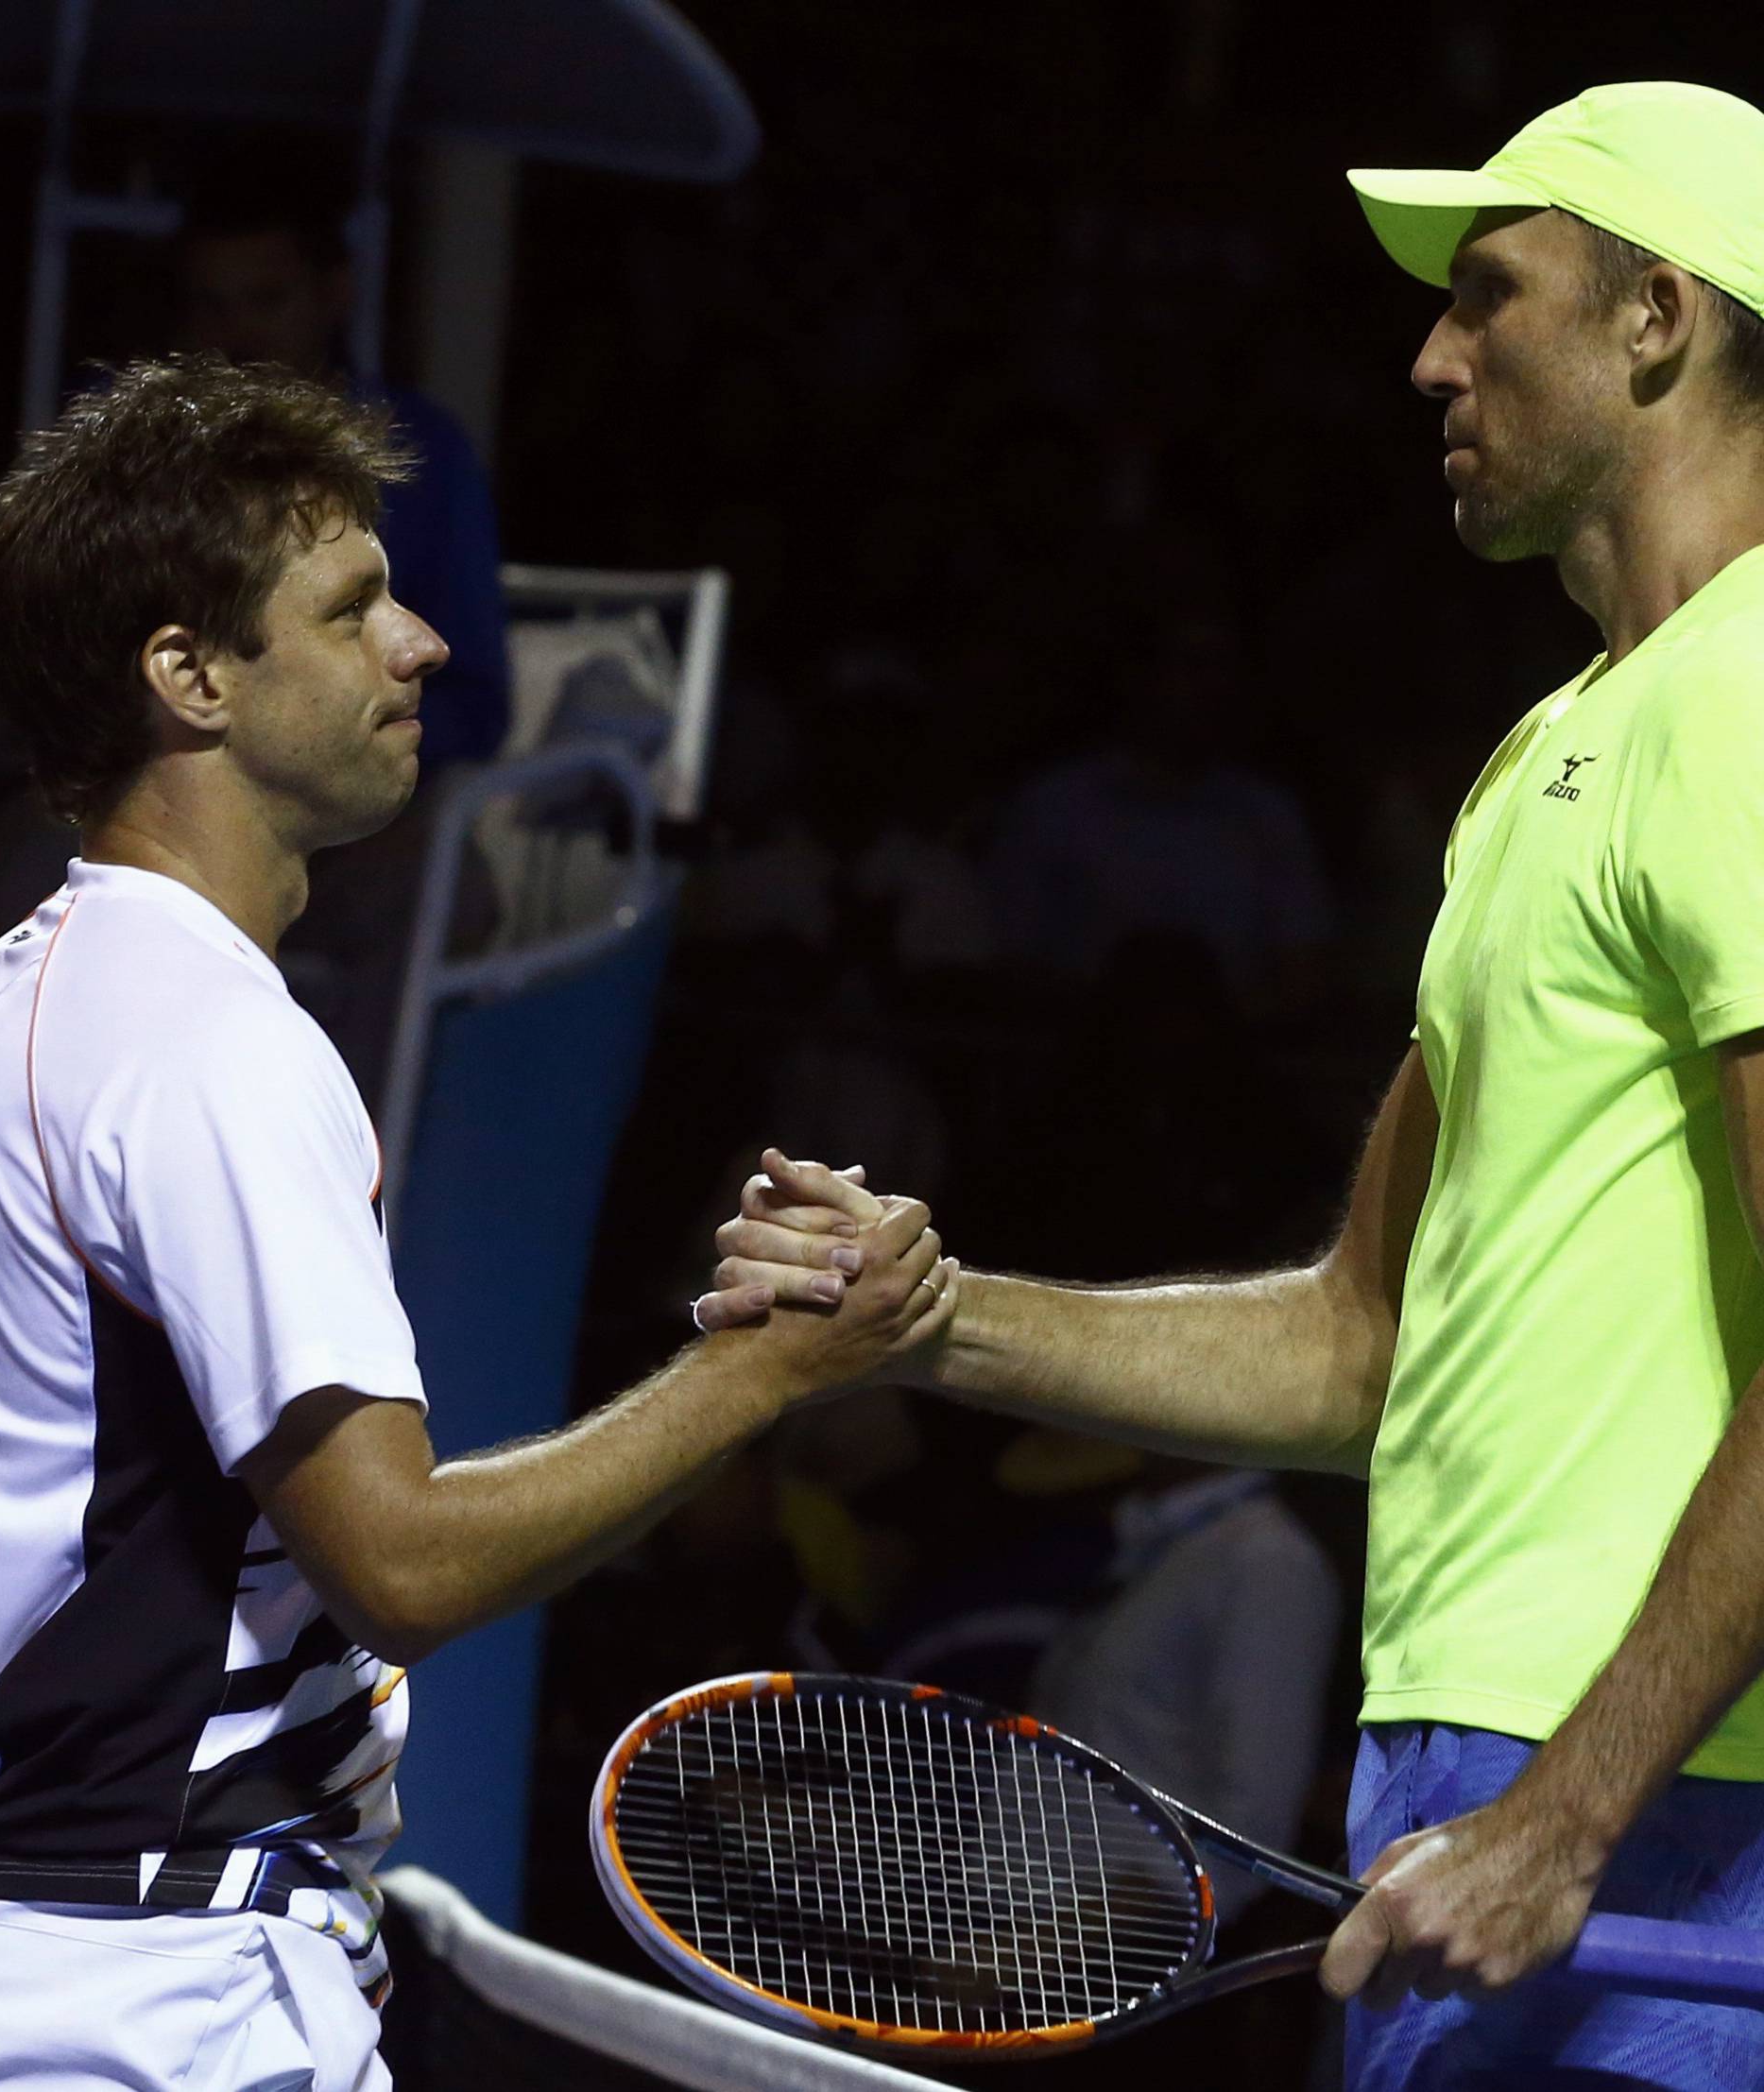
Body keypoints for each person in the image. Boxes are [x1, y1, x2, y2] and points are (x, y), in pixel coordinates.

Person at [698, 81, 1764, 2089]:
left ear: (1658, 319)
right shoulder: (1545, 765)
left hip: (1670, 1784)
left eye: (1492, 295)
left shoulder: (1756, 705)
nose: (1433, 353)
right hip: (1484, 1771)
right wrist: (932, 1323)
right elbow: (1365, 1344)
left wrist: (1578, 1807)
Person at [0, 356, 956, 2092]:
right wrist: (762, 1373)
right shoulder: (204, 1042)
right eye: (351, 610)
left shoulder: (27, 989)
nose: (422, 646)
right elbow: (398, 1556)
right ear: (187, 675)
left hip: (60, 1955)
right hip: (153, 1999)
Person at [182, 174, 512, 1102]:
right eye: (212, 302)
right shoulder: (157, 460)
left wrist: (335, 759)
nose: (238, 332)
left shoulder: (421, 452)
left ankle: (353, 1192)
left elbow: (476, 699)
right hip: (172, 806)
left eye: (267, 297)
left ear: (335, 292)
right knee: (24, 856)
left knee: (445, 893)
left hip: (353, 821)